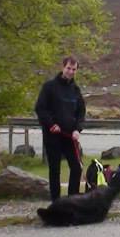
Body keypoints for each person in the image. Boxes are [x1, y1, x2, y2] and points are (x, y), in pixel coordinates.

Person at [35, 56, 86, 201]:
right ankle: (56, 201)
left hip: (69, 135)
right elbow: (40, 108)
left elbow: (81, 112)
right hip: (53, 135)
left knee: (76, 167)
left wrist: (77, 129)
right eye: (68, 68)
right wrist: (51, 124)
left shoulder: (76, 90)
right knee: (55, 169)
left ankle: (72, 200)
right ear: (63, 68)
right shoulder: (49, 87)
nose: (70, 72)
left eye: (74, 69)